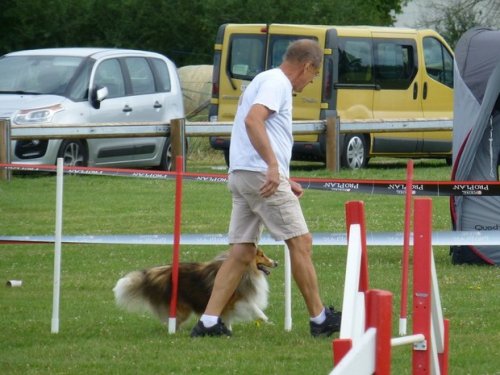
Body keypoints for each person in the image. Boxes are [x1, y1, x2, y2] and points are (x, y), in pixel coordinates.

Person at [191, 39, 341, 338]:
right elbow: (254, 120)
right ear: (307, 65)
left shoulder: (263, 78)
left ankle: (208, 323)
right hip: (260, 174)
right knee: (301, 242)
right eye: (313, 75)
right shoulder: (278, 83)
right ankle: (320, 319)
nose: (310, 82)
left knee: (242, 252)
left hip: (243, 173)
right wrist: (273, 167)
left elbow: (259, 127)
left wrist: (283, 176)